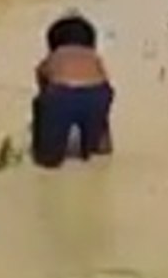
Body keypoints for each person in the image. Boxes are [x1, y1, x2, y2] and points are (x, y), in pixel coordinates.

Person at [32, 13, 114, 168]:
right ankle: (98, 145)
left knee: (48, 159)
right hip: (99, 93)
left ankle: (47, 154)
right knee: (100, 118)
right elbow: (105, 84)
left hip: (61, 94)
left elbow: (42, 87)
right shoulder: (94, 57)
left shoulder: (54, 56)